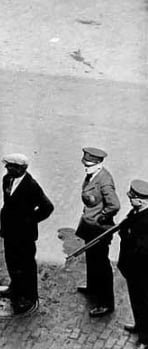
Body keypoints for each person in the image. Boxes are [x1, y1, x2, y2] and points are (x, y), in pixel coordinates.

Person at [0, 153, 54, 312]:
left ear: (21, 168)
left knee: (26, 265)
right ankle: (14, 287)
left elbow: (47, 207)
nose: (6, 168)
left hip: (24, 235)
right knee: (12, 261)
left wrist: (30, 220)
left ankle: (28, 296)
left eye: (10, 166)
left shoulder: (31, 186)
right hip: (9, 230)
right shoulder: (7, 179)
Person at [75, 147, 120, 317]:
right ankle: (92, 287)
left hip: (99, 230)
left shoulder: (104, 181)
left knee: (101, 265)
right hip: (90, 227)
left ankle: (106, 303)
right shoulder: (92, 175)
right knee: (91, 259)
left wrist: (102, 216)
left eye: (89, 165)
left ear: (99, 164)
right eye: (85, 164)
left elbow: (114, 205)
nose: (86, 167)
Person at [118, 179, 148, 349]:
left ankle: (145, 338)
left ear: (141, 200)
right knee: (136, 301)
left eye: (132, 197)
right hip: (133, 268)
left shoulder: (146, 220)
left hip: (142, 270)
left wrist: (127, 235)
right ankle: (139, 326)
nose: (129, 199)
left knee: (144, 303)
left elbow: (143, 250)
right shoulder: (137, 211)